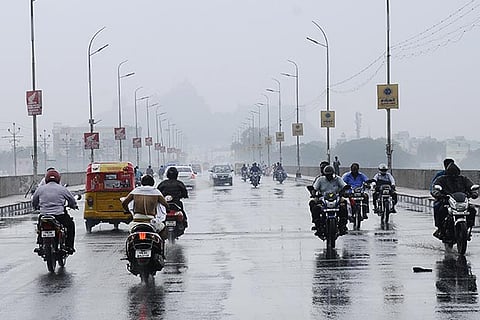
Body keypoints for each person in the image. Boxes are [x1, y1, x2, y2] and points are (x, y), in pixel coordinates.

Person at [32, 170, 78, 254]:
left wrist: (36, 207)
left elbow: (34, 200)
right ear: (58, 179)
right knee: (71, 225)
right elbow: (71, 200)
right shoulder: (62, 189)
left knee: (40, 226)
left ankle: (40, 243)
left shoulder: (40, 189)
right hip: (59, 216)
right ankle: (69, 246)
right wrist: (73, 205)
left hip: (44, 215)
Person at [430, 162, 478, 240]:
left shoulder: (463, 179)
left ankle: (468, 229)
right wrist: (439, 195)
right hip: (447, 201)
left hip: (461, 201)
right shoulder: (442, 179)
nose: (453, 176)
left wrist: (473, 193)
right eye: (451, 174)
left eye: (455, 174)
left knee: (472, 210)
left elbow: (471, 186)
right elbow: (435, 188)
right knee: (439, 209)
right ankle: (440, 229)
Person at [309, 165, 349, 238]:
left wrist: (345, 191)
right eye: (327, 175)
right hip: (322, 198)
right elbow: (315, 188)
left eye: (330, 175)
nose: (329, 176)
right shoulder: (320, 180)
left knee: (344, 204)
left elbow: (344, 186)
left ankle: (343, 225)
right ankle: (317, 224)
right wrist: (314, 193)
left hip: (336, 197)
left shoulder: (338, 179)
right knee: (313, 204)